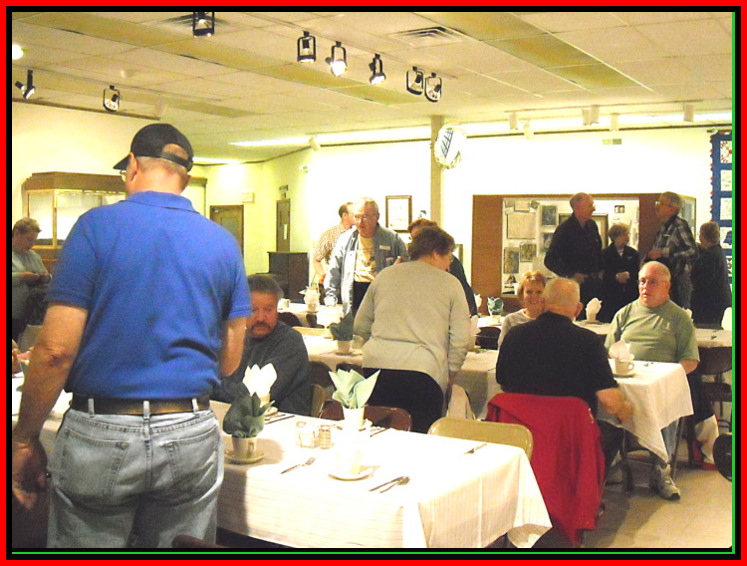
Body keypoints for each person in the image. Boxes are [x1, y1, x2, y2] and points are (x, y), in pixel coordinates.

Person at [11, 123, 250, 548]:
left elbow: (54, 351)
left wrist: (24, 438)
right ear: (186, 178)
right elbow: (230, 359)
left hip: (104, 428)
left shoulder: (95, 227)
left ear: (134, 166)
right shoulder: (223, 242)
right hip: (191, 427)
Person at [605, 261, 718, 500]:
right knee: (600, 401)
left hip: (662, 384)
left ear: (667, 286)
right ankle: (610, 461)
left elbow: (690, 361)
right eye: (642, 281)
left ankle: (662, 470)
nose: (646, 287)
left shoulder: (679, 318)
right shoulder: (624, 314)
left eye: (653, 282)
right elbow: (608, 353)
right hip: (628, 383)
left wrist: (667, 377)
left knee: (668, 406)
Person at [496, 277, 633, 469]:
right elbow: (609, 402)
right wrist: (626, 408)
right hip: (572, 437)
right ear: (578, 309)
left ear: (543, 302)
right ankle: (591, 481)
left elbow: (503, 381)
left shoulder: (514, 336)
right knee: (615, 432)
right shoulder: (589, 343)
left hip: (523, 433)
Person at [354, 226, 472, 432]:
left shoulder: (385, 276)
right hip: (423, 371)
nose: (449, 265)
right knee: (421, 437)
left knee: (381, 434)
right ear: (436, 253)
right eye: (448, 258)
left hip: (376, 367)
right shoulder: (450, 283)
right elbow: (461, 339)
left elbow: (360, 325)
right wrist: (450, 373)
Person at [212, 274, 311, 415]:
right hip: (237, 417)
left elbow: (256, 396)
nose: (261, 318)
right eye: (253, 310)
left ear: (277, 309)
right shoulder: (236, 338)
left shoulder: (290, 342)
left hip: (283, 423)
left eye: (268, 310)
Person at [325, 197, 408, 314]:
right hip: (354, 296)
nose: (360, 222)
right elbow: (334, 271)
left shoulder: (392, 239)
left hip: (382, 297)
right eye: (356, 217)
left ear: (376, 217)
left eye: (364, 217)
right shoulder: (345, 239)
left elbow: (407, 268)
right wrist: (330, 300)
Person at [544, 193, 603, 318]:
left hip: (594, 285)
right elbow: (550, 260)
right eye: (590, 205)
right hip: (574, 288)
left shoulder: (592, 227)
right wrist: (571, 275)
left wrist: (601, 271)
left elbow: (598, 253)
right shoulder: (564, 229)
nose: (593, 209)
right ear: (578, 207)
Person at [408, 218, 478, 316]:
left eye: (418, 238)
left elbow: (463, 293)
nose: (415, 243)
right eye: (412, 238)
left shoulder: (449, 262)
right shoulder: (410, 265)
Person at [645, 191, 699, 309]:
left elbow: (692, 251)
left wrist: (664, 253)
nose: (657, 206)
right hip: (662, 280)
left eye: (661, 203)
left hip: (677, 281)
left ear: (672, 209)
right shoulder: (663, 228)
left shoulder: (679, 225)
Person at [11, 218, 51, 342]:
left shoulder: (34, 256)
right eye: (29, 239)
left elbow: (47, 276)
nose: (32, 244)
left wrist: (45, 277)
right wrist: (21, 277)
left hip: (30, 317)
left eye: (34, 240)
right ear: (17, 233)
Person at [690, 221, 731, 325]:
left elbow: (703, 280)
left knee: (705, 327)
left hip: (708, 302)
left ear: (703, 236)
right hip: (718, 300)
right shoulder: (717, 251)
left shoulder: (709, 256)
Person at [599, 223, 640, 322]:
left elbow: (638, 271)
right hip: (611, 295)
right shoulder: (604, 254)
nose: (627, 237)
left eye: (628, 234)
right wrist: (615, 277)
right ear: (615, 237)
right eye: (624, 234)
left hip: (629, 294)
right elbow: (602, 275)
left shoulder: (633, 253)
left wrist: (629, 275)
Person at [312, 202, 354, 296]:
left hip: (354, 283)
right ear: (345, 215)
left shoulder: (358, 233)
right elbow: (316, 259)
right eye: (354, 213)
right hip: (337, 284)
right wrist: (323, 276)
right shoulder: (329, 234)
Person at [497, 271, 546, 348]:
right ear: (522, 294)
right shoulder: (510, 320)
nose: (534, 296)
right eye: (529, 292)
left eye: (539, 292)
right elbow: (502, 350)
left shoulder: (552, 321)